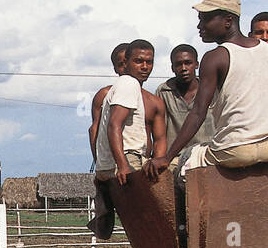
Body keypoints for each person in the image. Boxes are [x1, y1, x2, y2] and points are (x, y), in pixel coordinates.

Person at [149, 0, 268, 177]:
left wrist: (166, 158)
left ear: (228, 21)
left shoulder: (215, 57)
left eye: (205, 19)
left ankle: (183, 207)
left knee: (185, 160)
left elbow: (198, 112)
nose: (199, 26)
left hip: (236, 149)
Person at [95, 39, 164, 184]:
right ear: (126, 63)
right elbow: (114, 125)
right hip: (127, 159)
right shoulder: (129, 83)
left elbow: (159, 140)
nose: (145, 67)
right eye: (138, 61)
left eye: (149, 62)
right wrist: (123, 165)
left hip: (114, 163)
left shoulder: (128, 87)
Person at [154, 44, 215, 167]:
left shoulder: (210, 90)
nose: (183, 68)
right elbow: (158, 131)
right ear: (172, 68)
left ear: (196, 64)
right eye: (178, 64)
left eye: (188, 63)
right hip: (174, 159)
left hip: (206, 155)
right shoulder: (164, 91)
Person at [89, 43, 129, 165]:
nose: (125, 68)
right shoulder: (105, 95)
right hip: (112, 162)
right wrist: (99, 162)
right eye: (121, 64)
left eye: (128, 62)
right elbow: (94, 129)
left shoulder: (148, 97)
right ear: (115, 68)